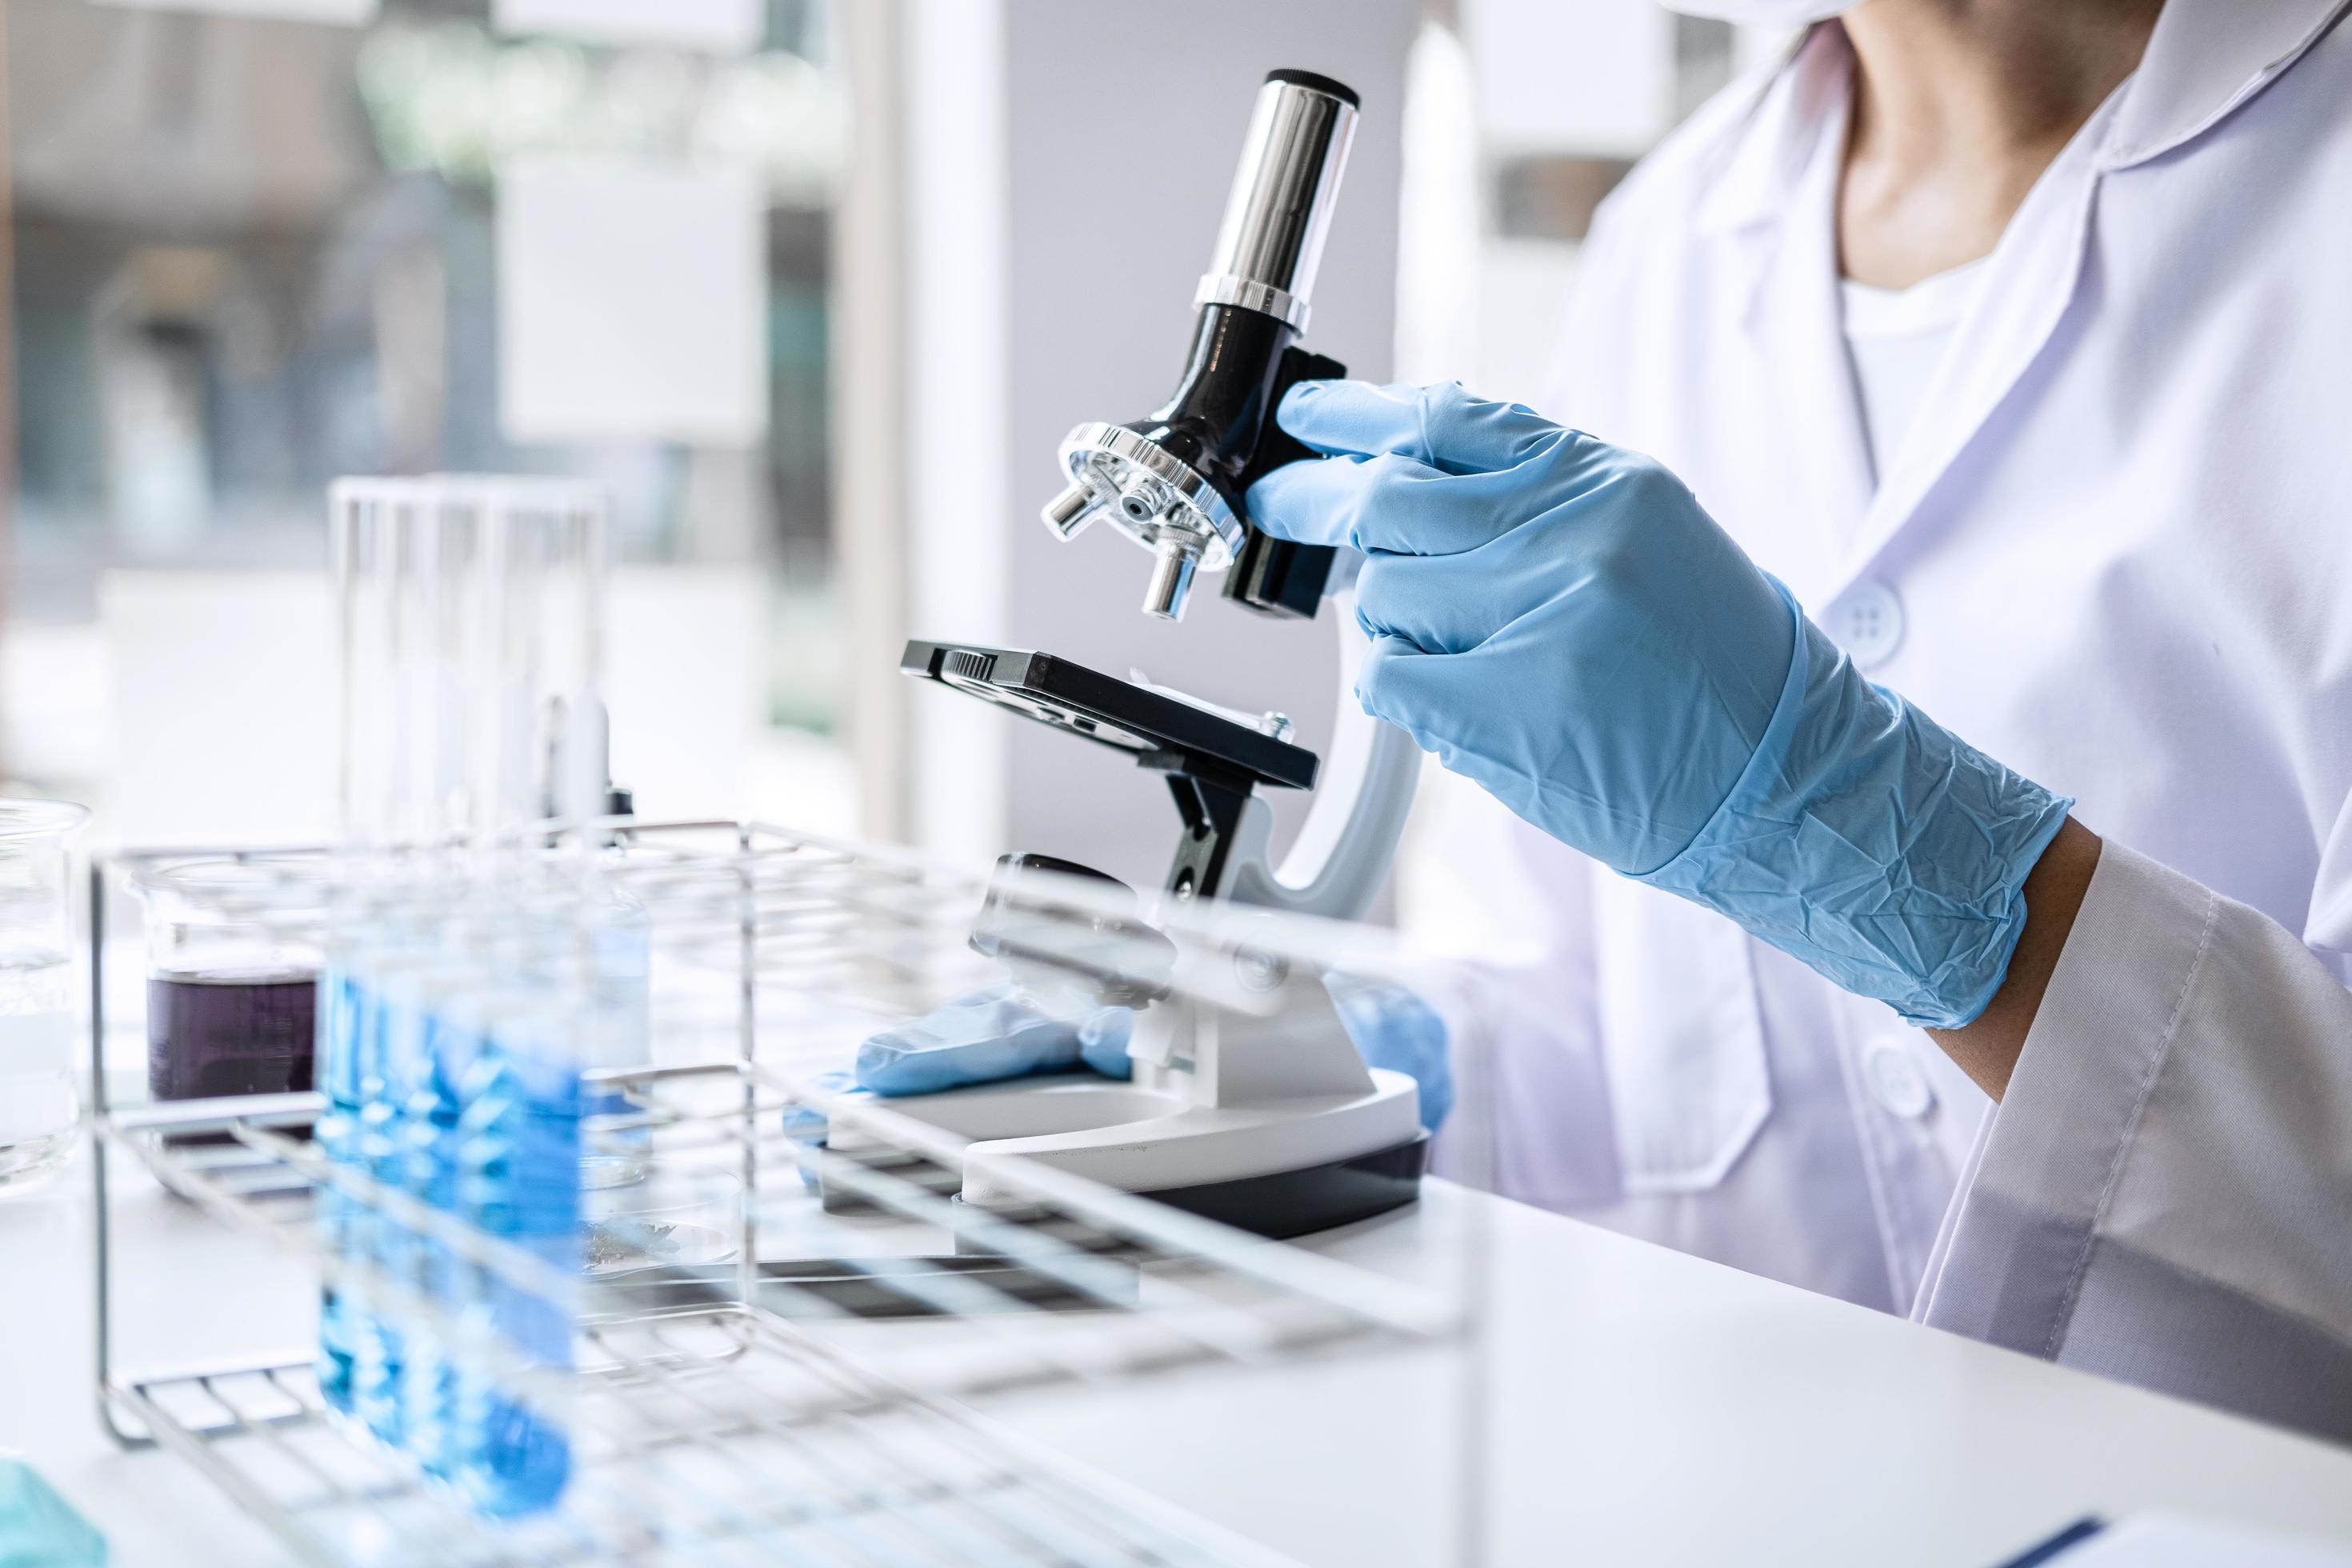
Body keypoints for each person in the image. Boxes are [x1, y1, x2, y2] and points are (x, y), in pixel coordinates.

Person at [867, 0, 2352, 1446]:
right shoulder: (1677, 227)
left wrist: (1882, 849)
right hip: (1732, 1484)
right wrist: (1324, 1073)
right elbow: (1596, 1023)